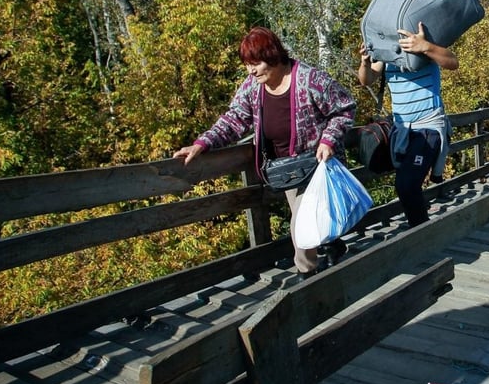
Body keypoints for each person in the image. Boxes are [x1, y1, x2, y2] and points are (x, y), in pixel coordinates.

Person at [173, 27, 356, 280]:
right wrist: (202, 144)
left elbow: (345, 108)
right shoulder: (253, 87)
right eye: (248, 65)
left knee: (301, 225)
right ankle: (332, 245)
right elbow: (234, 120)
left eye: (256, 63)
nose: (251, 70)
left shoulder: (310, 79)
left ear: (273, 56)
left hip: (315, 163)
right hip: (286, 169)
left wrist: (328, 140)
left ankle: (307, 277)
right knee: (308, 221)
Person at [358, 21, 458, 228]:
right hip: (403, 129)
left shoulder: (423, 44)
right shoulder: (388, 51)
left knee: (406, 185)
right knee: (407, 184)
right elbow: (367, 80)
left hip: (428, 126)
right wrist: (365, 63)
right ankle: (421, 229)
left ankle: (420, 233)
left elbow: (452, 62)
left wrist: (426, 47)